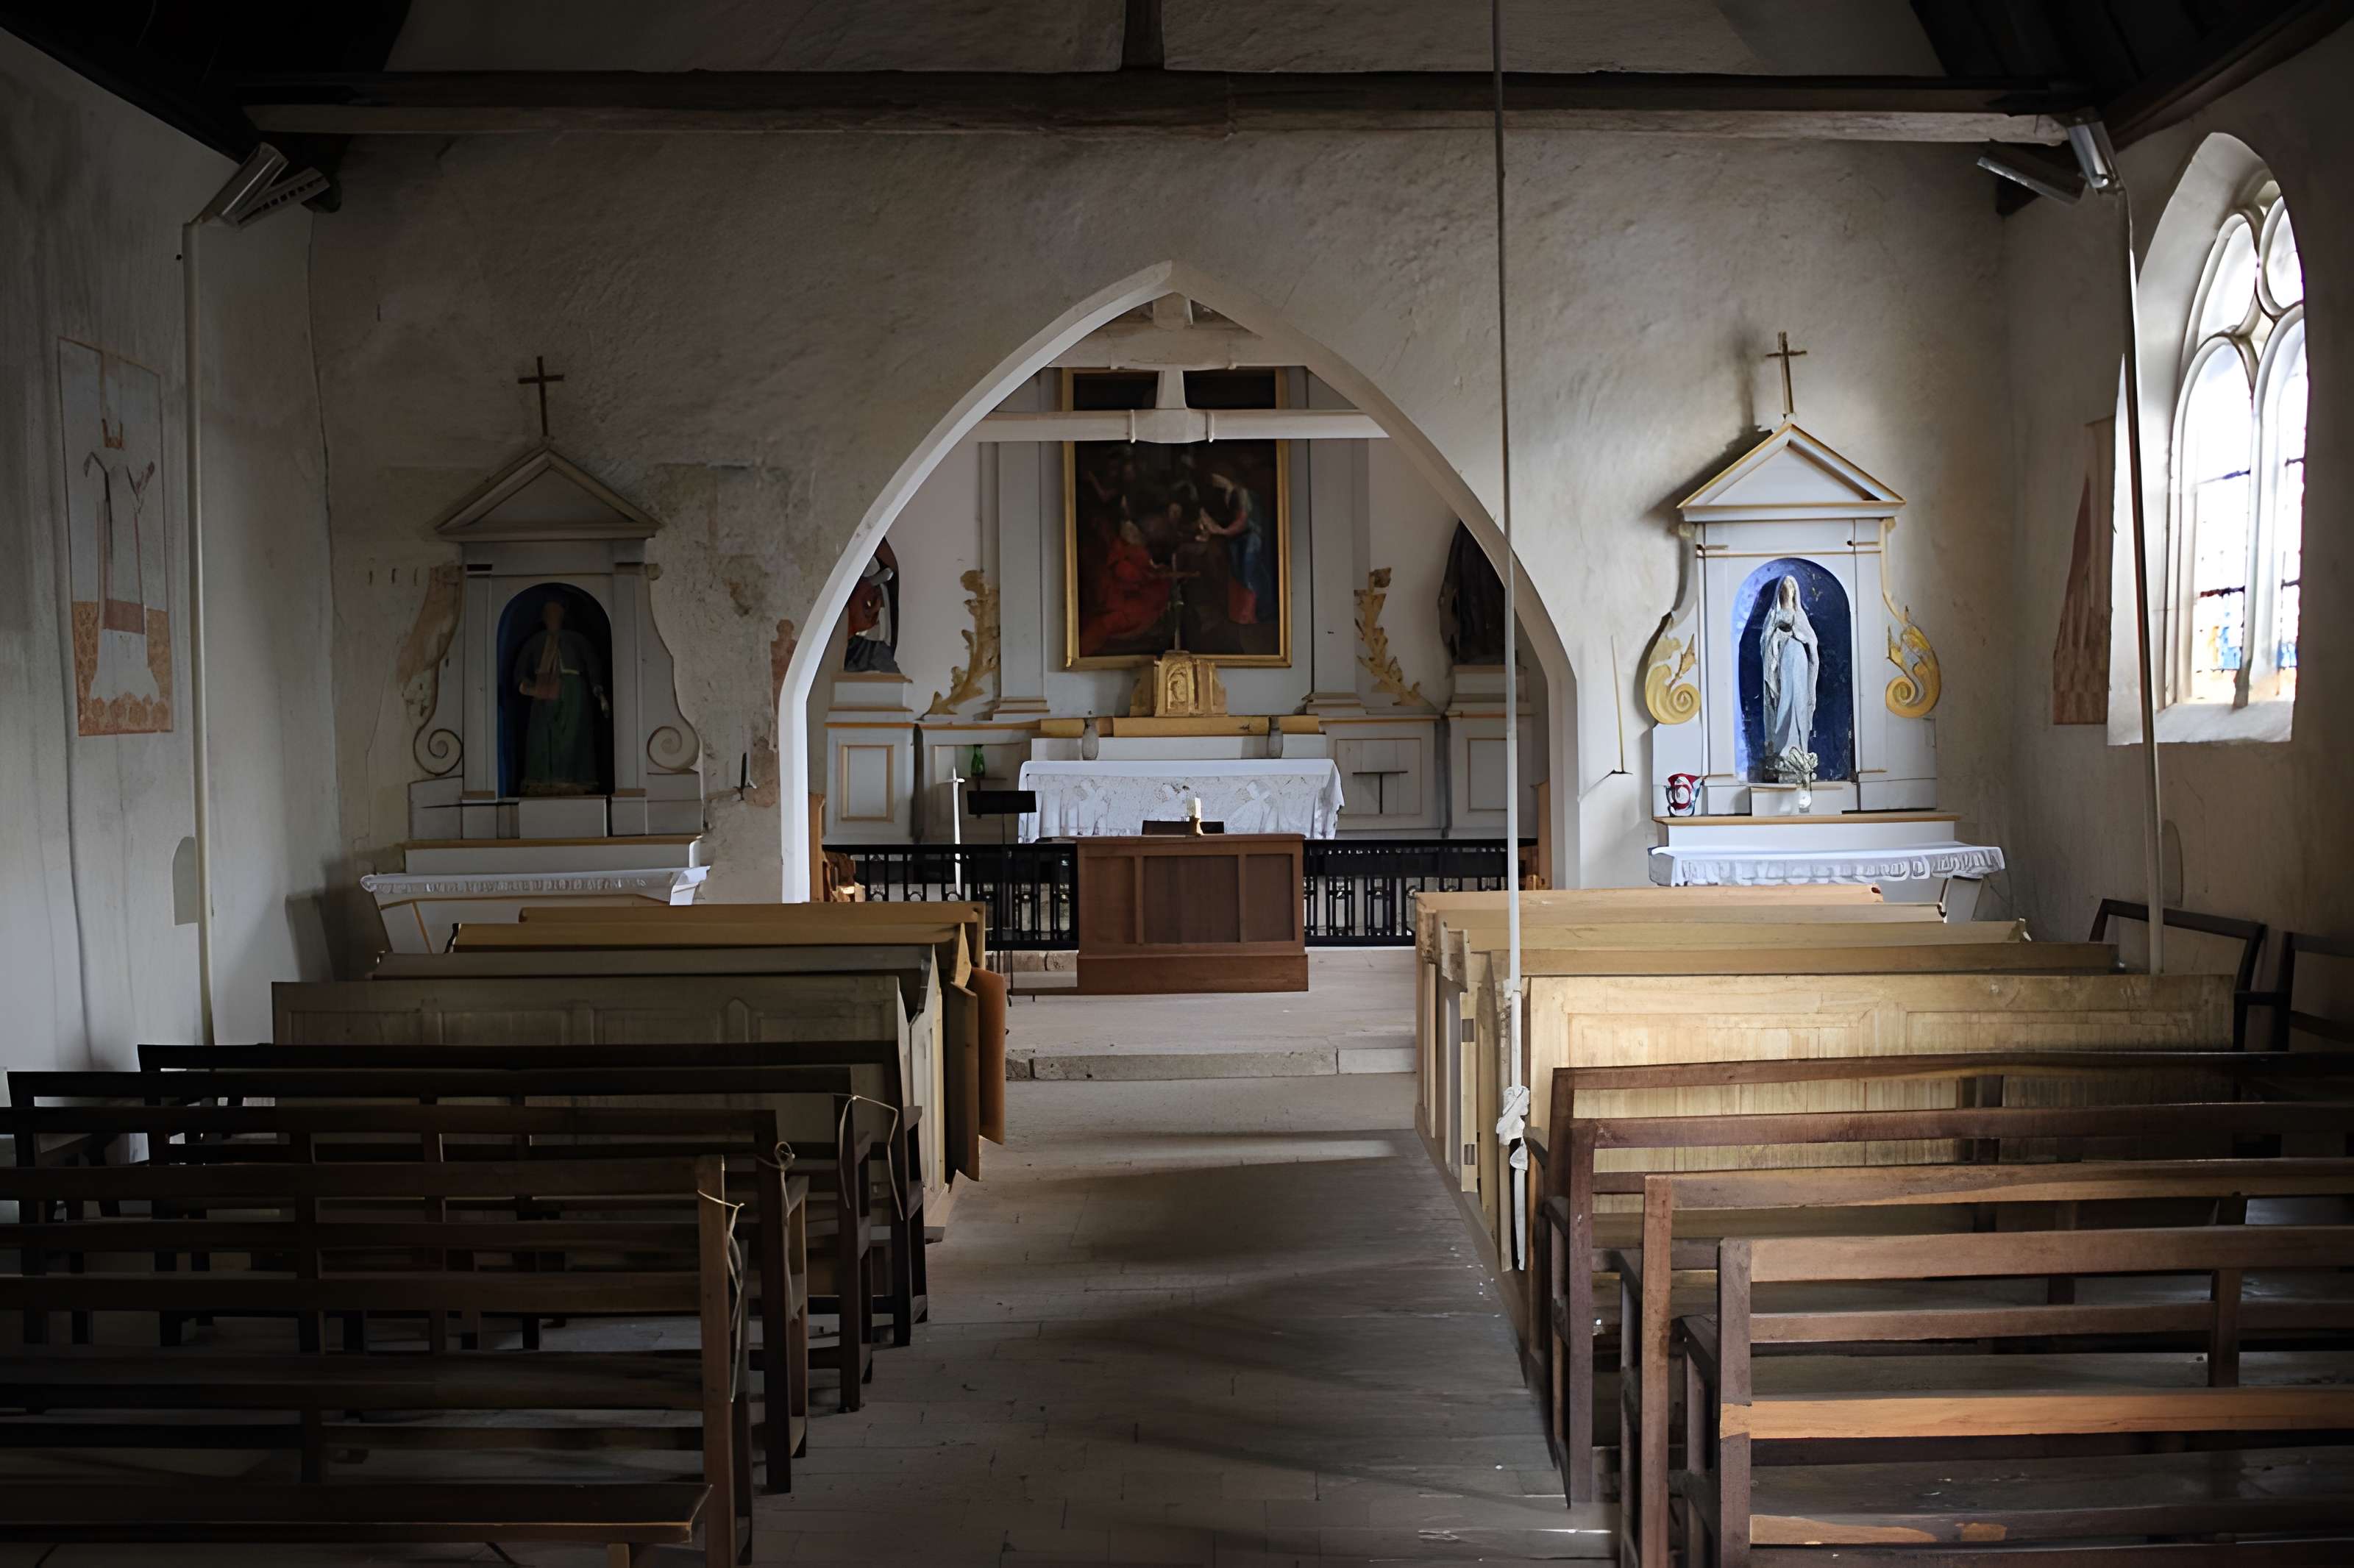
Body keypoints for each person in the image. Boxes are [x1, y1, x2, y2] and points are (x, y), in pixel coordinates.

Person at [513, 598, 609, 795]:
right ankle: (542, 781)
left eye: (556, 614)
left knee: (572, 736)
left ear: (564, 617)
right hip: (541, 693)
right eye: (548, 614)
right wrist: (529, 688)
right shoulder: (535, 642)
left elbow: (592, 664)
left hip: (573, 692)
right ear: (543, 617)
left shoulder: (577, 640)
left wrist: (599, 692)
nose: (552, 619)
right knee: (541, 737)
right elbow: (519, 671)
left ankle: (572, 780)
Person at [1197, 463, 1275, 627]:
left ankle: (1250, 614)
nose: (1214, 481)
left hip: (1251, 542)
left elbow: (1242, 521)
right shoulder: (1229, 494)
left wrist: (1221, 531)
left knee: (1248, 577)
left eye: (1216, 477)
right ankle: (1243, 615)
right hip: (1240, 541)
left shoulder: (1241, 493)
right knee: (1239, 577)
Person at [1758, 574, 1819, 776]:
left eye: (1791, 588)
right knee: (1785, 701)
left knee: (1799, 702)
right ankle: (1783, 750)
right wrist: (1777, 636)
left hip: (1799, 661)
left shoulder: (1800, 615)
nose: (1788, 591)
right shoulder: (1774, 615)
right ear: (1780, 592)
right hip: (1782, 662)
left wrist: (1798, 634)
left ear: (1795, 592)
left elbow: (1811, 640)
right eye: (1785, 588)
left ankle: (1800, 750)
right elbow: (1765, 641)